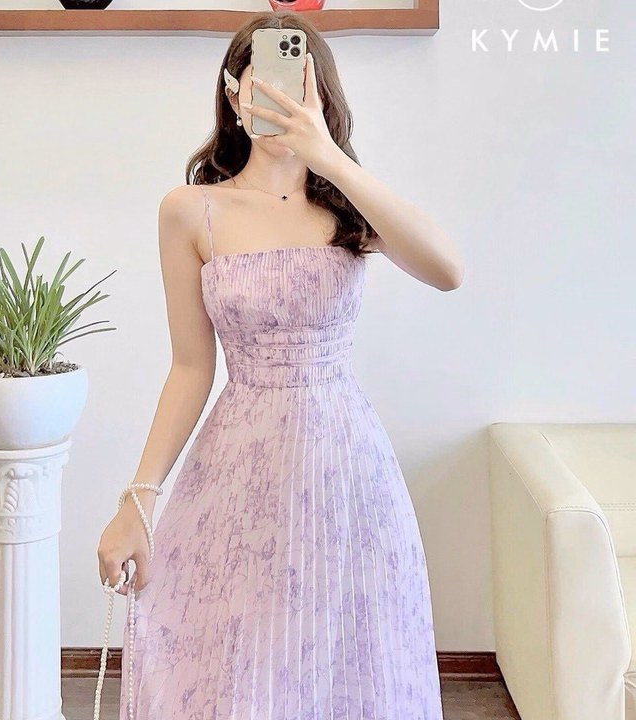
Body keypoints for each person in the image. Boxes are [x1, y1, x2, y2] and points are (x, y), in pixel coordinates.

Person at [98, 10, 462, 720]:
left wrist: (330, 159)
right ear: (233, 92)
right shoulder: (191, 210)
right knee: (239, 665)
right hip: (236, 471)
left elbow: (448, 269)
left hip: (345, 469)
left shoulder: (348, 206)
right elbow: (190, 368)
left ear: (319, 94)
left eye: (296, 82)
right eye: (260, 80)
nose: (276, 95)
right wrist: (137, 501)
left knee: (348, 665)